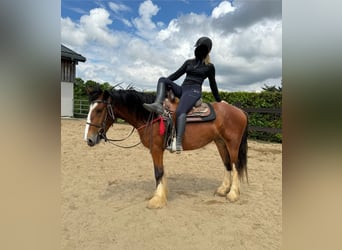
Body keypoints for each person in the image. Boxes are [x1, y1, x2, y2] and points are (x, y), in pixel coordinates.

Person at [143, 36, 223, 153]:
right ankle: (158, 104)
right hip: (183, 89)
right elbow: (175, 75)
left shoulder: (210, 67)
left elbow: (213, 85)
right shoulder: (188, 62)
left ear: (207, 51)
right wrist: (165, 84)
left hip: (194, 92)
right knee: (162, 79)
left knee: (180, 111)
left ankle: (178, 143)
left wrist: (219, 101)